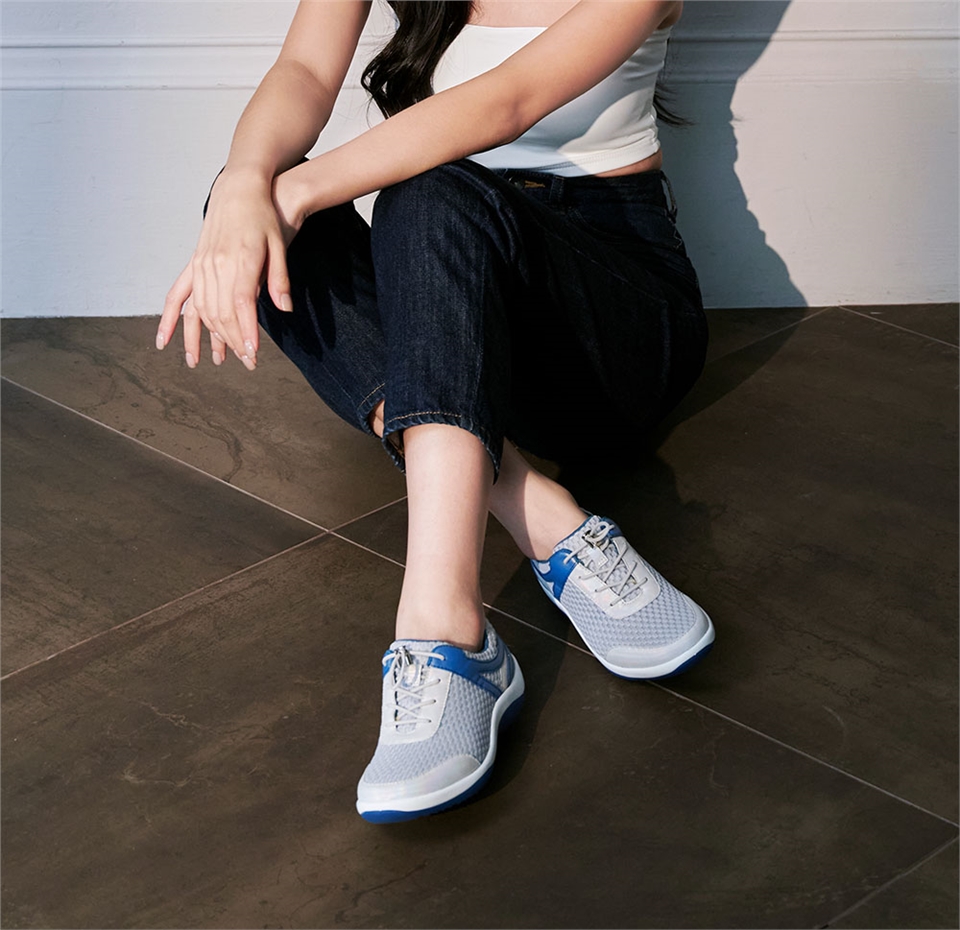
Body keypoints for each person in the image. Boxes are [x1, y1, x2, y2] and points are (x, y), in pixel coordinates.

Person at [158, 0, 714, 823]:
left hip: (613, 326)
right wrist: (243, 187)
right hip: (457, 319)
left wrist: (290, 192)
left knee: (419, 190)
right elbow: (302, 71)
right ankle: (540, 514)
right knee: (257, 211)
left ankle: (441, 630)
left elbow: (507, 101)